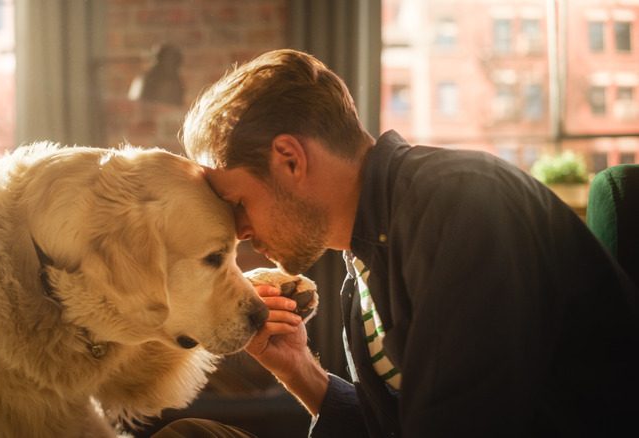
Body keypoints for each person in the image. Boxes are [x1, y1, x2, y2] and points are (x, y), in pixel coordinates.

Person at [170, 49, 639, 437]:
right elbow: (396, 425)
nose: (240, 232)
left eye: (239, 203)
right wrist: (300, 371)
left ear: (290, 160)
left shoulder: (459, 204)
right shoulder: (365, 257)